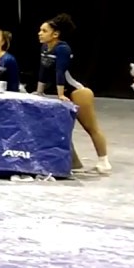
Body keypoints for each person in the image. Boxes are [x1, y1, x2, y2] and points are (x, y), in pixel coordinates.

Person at [35, 13, 110, 174]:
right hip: (65, 91)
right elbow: (43, 71)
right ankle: (73, 162)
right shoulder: (45, 48)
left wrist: (60, 94)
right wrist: (39, 92)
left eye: (44, 30)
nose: (39, 33)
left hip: (78, 91)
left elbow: (60, 72)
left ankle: (104, 161)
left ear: (55, 34)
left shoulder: (63, 49)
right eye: (40, 30)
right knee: (62, 128)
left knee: (90, 127)